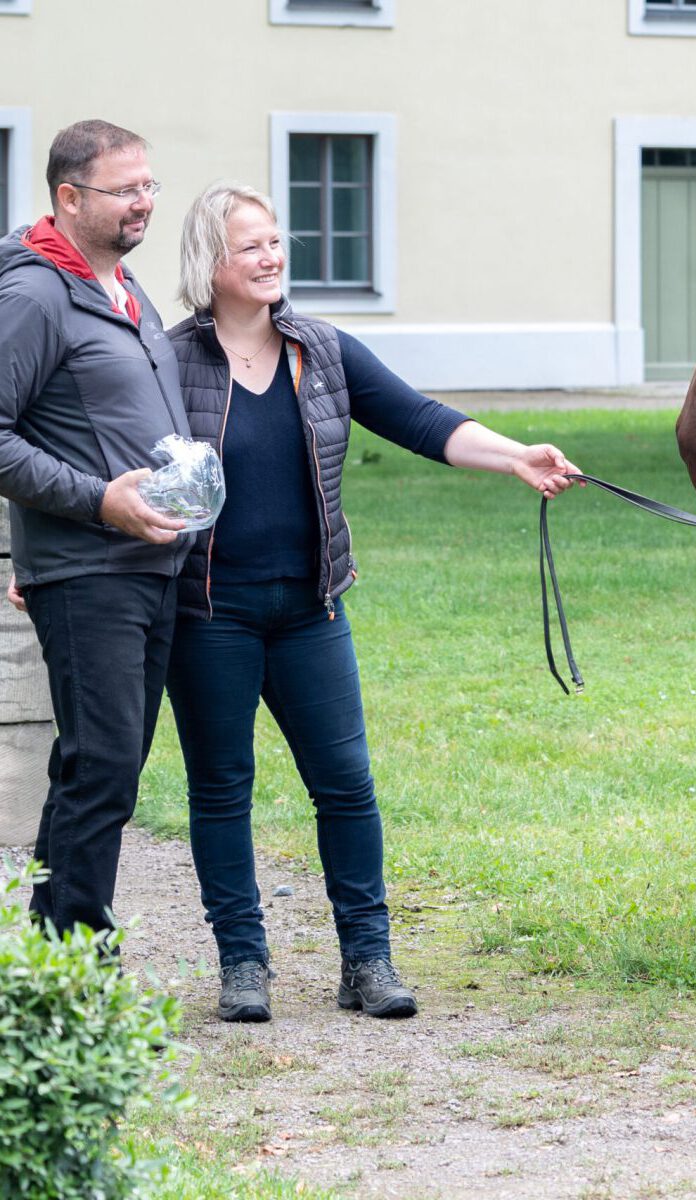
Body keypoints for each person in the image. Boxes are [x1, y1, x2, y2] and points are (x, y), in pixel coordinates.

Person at [164, 182, 579, 1023]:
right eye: (253, 246)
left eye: (277, 242)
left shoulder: (321, 349)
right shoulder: (168, 363)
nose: (273, 256)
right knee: (221, 787)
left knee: (347, 784)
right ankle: (244, 965)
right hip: (210, 613)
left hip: (311, 608)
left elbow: (421, 419)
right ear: (211, 261)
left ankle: (367, 960)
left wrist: (516, 457)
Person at [0, 121, 190, 940]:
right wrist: (95, 501)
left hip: (148, 567)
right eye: (126, 189)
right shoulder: (35, 293)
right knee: (101, 767)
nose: (144, 202)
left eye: (149, 185)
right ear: (69, 197)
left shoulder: (124, 285)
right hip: (88, 568)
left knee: (103, 769)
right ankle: (80, 964)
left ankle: (56, 963)